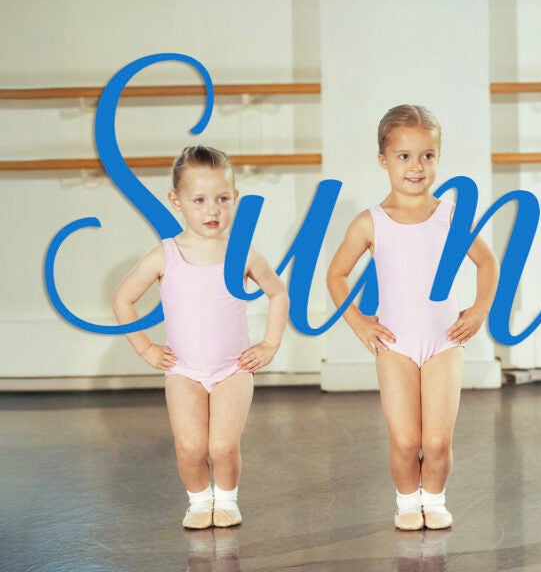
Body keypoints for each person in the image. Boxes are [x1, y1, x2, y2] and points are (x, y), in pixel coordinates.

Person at [326, 105, 499, 531]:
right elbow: (335, 275)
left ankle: (434, 500)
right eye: (404, 156)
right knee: (405, 441)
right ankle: (407, 501)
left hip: (444, 342)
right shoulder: (371, 222)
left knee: (437, 441)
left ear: (438, 158)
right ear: (383, 160)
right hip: (395, 346)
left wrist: (478, 310)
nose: (416, 166)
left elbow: (488, 263)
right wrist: (361, 323)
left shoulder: (451, 216)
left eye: (427, 155)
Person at [112, 145, 289, 529]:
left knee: (222, 446)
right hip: (184, 370)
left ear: (235, 199)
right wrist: (145, 347)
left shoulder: (242, 253)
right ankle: (198, 501)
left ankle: (225, 500)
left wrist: (269, 343)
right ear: (176, 201)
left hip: (233, 368)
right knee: (191, 446)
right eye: (200, 200)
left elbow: (278, 292)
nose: (212, 210)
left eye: (222, 199)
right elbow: (123, 299)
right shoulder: (165, 255)